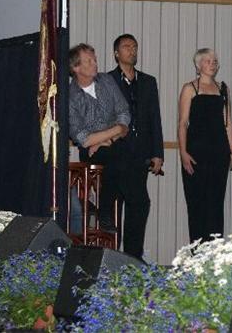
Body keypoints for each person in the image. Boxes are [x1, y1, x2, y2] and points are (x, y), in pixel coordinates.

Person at [109, 34, 164, 260]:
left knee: (137, 206)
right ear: (116, 53)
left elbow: (154, 118)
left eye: (134, 47)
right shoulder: (107, 80)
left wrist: (157, 153)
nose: (132, 50)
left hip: (140, 154)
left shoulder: (148, 81)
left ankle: (132, 256)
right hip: (116, 153)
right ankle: (112, 256)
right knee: (115, 207)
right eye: (126, 47)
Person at [178, 48, 232, 243]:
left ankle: (213, 252)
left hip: (219, 154)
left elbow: (228, 123)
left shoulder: (223, 89)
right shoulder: (190, 88)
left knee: (215, 205)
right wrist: (183, 153)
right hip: (196, 153)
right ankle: (197, 252)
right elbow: (183, 123)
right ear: (198, 65)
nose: (212, 64)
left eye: (215, 61)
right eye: (208, 61)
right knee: (197, 204)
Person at [68, 43, 131, 233]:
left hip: (116, 143)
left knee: (121, 153)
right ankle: (104, 212)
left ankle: (102, 208)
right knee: (116, 158)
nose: (95, 64)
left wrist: (107, 140)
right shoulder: (69, 96)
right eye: (89, 61)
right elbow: (84, 139)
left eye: (94, 59)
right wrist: (115, 130)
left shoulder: (107, 81)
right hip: (92, 151)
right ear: (76, 67)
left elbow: (124, 112)